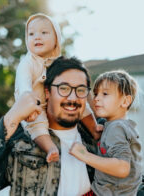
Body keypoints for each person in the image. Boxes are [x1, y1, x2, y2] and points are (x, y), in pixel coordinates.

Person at [0, 57, 144, 196]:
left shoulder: (100, 132)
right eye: (64, 88)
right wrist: (12, 116)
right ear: (47, 92)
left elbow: (137, 181)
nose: (72, 98)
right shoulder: (21, 137)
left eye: (80, 90)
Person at [14, 13, 99, 163]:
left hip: (55, 102)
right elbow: (24, 85)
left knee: (81, 103)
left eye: (44, 33)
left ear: (56, 40)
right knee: (37, 125)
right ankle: (50, 148)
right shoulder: (27, 63)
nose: (37, 37)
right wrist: (29, 107)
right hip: (33, 106)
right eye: (31, 34)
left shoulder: (59, 63)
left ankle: (94, 128)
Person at [70, 70, 144, 196]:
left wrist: (84, 155)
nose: (97, 98)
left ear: (125, 101)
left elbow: (122, 167)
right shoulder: (119, 126)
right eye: (96, 93)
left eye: (105, 94)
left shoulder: (116, 128)